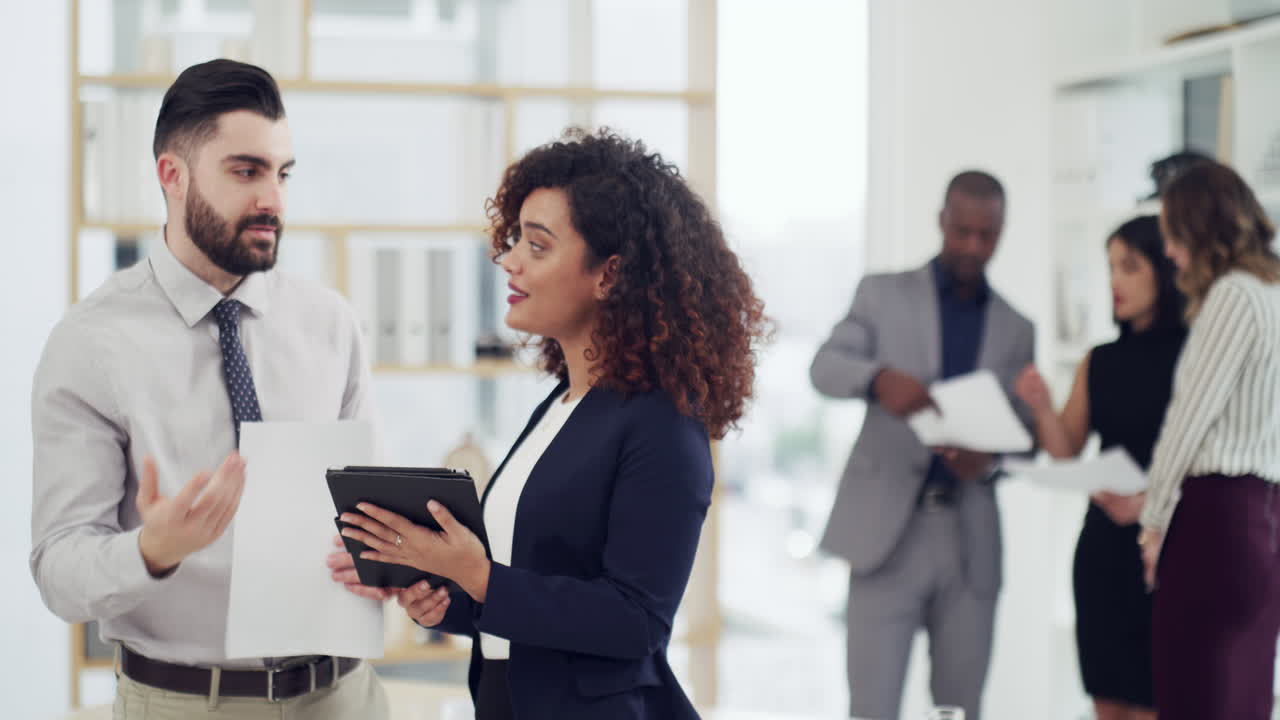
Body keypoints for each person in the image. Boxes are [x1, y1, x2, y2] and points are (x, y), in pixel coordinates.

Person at [336, 128, 769, 720]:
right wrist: (444, 599)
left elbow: (635, 621)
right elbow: (528, 587)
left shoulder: (662, 425)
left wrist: (479, 576)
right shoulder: (560, 406)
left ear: (609, 275)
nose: (508, 261)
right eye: (515, 240)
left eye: (537, 247)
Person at [29, 59, 388, 718]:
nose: (274, 201)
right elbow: (58, 571)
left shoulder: (330, 324)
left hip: (344, 697)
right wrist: (152, 550)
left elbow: (365, 517)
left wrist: (399, 558)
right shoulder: (92, 343)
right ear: (173, 175)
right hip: (186, 703)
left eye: (283, 174)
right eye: (246, 171)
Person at [810, 171, 1035, 720]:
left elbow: (1027, 438)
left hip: (969, 537)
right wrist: (877, 378)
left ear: (1002, 232)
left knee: (961, 709)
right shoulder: (881, 294)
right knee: (872, 708)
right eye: (962, 231)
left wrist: (992, 460)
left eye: (987, 235)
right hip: (885, 535)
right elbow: (824, 368)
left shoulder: (1016, 327)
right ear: (941, 221)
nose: (973, 247)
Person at [1014, 216, 1185, 720]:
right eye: (1110, 267)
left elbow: (1208, 460)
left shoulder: (1196, 356)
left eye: (1129, 266)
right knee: (1105, 704)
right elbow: (1066, 448)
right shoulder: (1100, 359)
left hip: (1169, 549)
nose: (1115, 281)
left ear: (1165, 269)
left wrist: (1149, 503)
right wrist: (1042, 406)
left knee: (1160, 700)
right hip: (1103, 555)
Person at [1137, 161, 1280, 720]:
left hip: (1214, 522)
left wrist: (1152, 522)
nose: (1169, 251)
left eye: (1173, 233)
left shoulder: (1235, 297)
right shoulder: (1275, 295)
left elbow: (1187, 422)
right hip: (1265, 524)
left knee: (1194, 699)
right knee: (1243, 700)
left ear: (1200, 231)